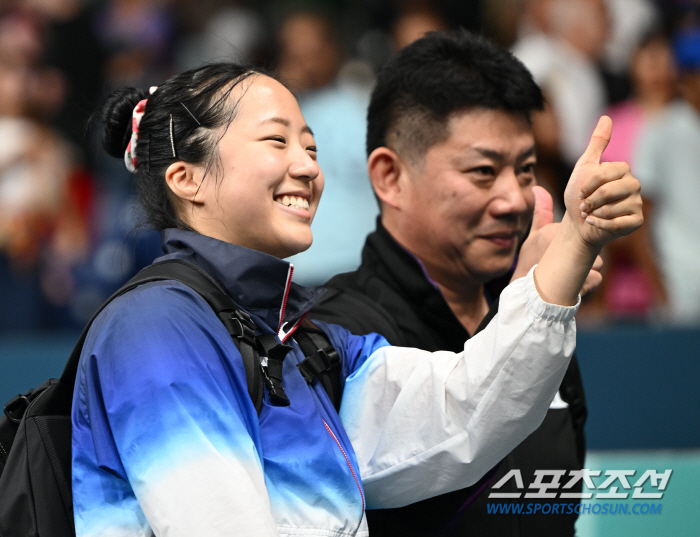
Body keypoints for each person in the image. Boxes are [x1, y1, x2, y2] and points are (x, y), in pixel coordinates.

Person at [71, 60, 642, 536]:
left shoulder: (303, 341)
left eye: (311, 146)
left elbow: (467, 410)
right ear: (186, 179)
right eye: (277, 140)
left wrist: (575, 238)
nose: (308, 167)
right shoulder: (156, 328)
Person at [309, 31, 601, 536]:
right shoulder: (339, 337)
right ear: (390, 177)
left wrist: (532, 302)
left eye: (526, 169)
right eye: (484, 171)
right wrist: (528, 307)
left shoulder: (542, 309)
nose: (514, 198)